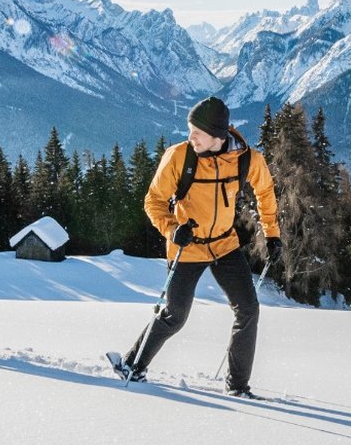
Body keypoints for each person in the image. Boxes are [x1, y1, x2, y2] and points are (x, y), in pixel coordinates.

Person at [108, 96, 281, 396]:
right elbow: (153, 201)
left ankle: (238, 387)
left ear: (218, 136)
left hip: (225, 244)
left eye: (197, 133)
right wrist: (173, 230)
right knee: (175, 315)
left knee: (249, 309)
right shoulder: (179, 157)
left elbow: (265, 192)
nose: (191, 138)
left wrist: (273, 235)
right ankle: (132, 365)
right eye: (190, 130)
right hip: (187, 247)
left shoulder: (246, 159)